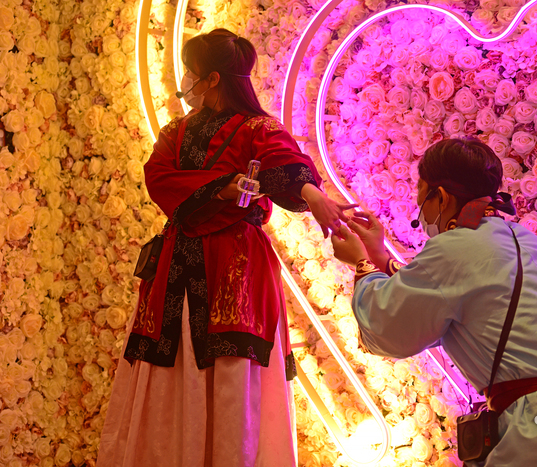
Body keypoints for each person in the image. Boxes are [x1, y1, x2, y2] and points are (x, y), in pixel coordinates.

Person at [97, 29, 355, 467]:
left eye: (190, 71)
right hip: (178, 267)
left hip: (235, 267)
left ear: (212, 78)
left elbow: (286, 165)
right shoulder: (176, 131)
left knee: (232, 367)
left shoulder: (258, 128)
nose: (185, 80)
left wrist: (315, 197)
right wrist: (222, 187)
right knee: (172, 363)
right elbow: (159, 177)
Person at [330, 138, 537, 466]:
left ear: (441, 197)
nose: (418, 204)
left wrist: (361, 265)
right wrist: (380, 256)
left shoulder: (453, 249)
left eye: (420, 191)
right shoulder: (523, 237)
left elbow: (388, 330)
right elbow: (451, 296)